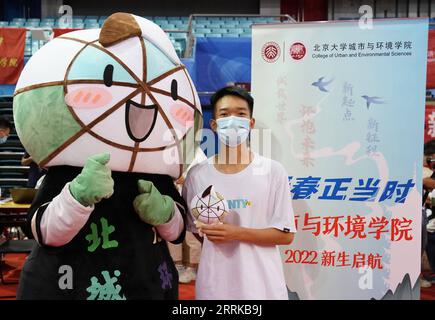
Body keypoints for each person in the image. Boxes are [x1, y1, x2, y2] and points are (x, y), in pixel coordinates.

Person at [182, 86, 296, 300]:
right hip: (214, 284)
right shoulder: (197, 175)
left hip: (263, 286)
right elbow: (196, 228)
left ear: (251, 123)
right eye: (225, 114)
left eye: (241, 114)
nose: (233, 120)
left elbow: (286, 234)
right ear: (213, 124)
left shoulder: (272, 171)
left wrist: (236, 234)